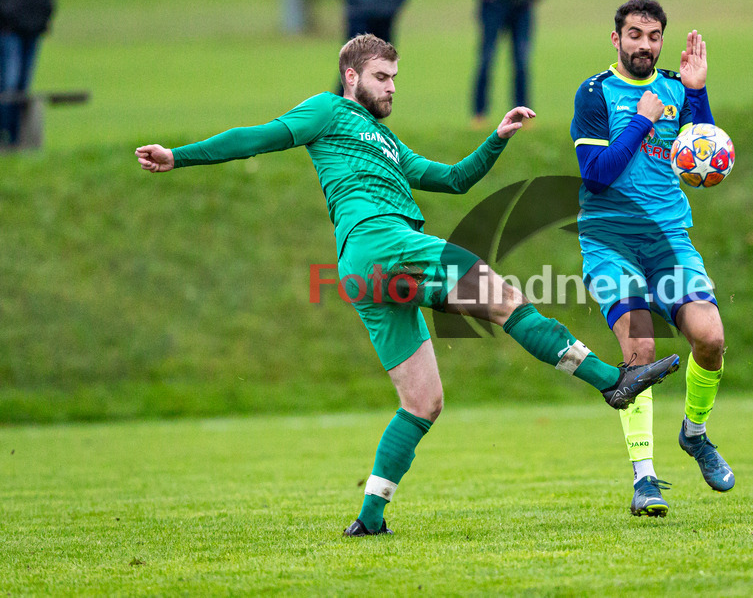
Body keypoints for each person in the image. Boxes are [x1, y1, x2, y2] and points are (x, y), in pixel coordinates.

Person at [135, 33, 680, 537]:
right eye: (381, 77)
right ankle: (612, 380)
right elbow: (260, 137)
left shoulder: (387, 142)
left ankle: (370, 517)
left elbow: (453, 180)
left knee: (423, 401)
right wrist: (178, 156)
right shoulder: (327, 111)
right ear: (351, 76)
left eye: (395, 78)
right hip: (385, 244)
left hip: (364, 273)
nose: (391, 87)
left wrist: (496, 138)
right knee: (506, 300)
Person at [570, 0, 733, 518]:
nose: (645, 44)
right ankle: (645, 481)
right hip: (610, 239)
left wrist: (697, 93)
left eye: (654, 35)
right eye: (635, 35)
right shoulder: (595, 93)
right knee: (639, 347)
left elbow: (701, 150)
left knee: (710, 338)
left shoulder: (672, 87)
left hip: (668, 239)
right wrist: (641, 122)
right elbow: (596, 174)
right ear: (616, 39)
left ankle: (696, 434)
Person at [0, 0, 54, 148]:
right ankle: (5, 139)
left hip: (31, 28)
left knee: (23, 87)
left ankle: (16, 143)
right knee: (8, 86)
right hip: (8, 29)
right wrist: (8, 15)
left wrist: (45, 14)